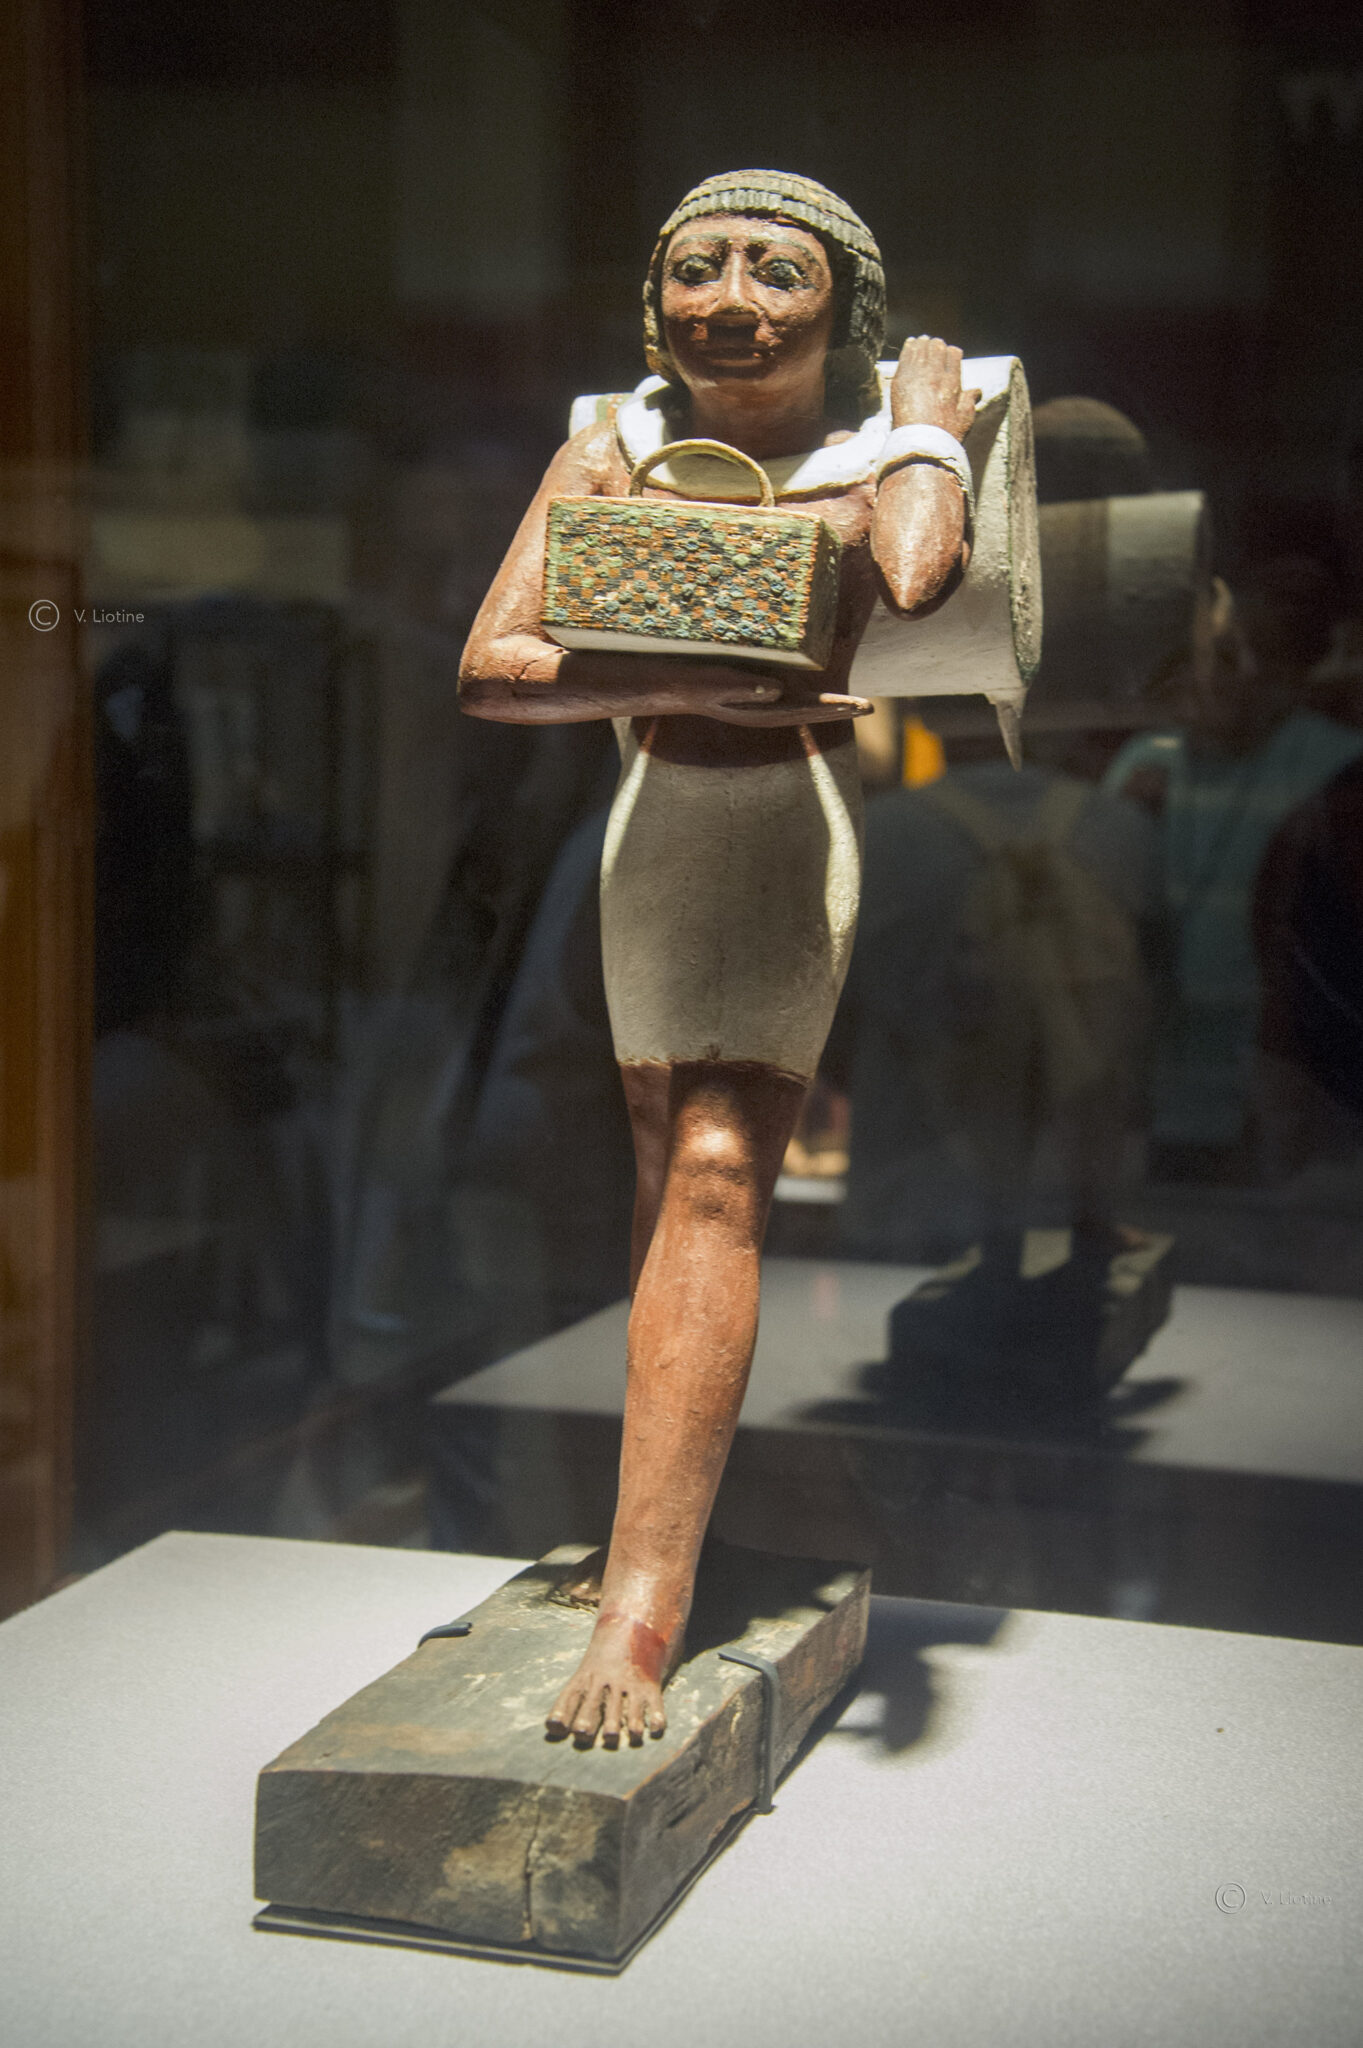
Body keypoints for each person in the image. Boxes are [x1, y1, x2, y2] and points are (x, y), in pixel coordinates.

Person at [460, 170, 978, 1745]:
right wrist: (703, 674)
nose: (729, 299)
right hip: (653, 835)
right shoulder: (608, 443)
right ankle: (647, 1529)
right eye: (696, 266)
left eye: (774, 270)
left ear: (846, 313)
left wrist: (927, 425)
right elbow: (494, 666)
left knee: (709, 1173)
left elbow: (912, 576)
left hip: (780, 837)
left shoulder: (871, 454)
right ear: (651, 299)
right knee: (656, 1173)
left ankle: (645, 1601)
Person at [1104, 555, 1363, 1178]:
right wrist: (1127, 827)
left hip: (1297, 1098)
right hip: (1164, 1094)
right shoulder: (1147, 763)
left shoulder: (1338, 766)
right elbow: (1099, 916)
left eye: (1263, 655)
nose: (1239, 675)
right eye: (1219, 654)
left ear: (1295, 672)